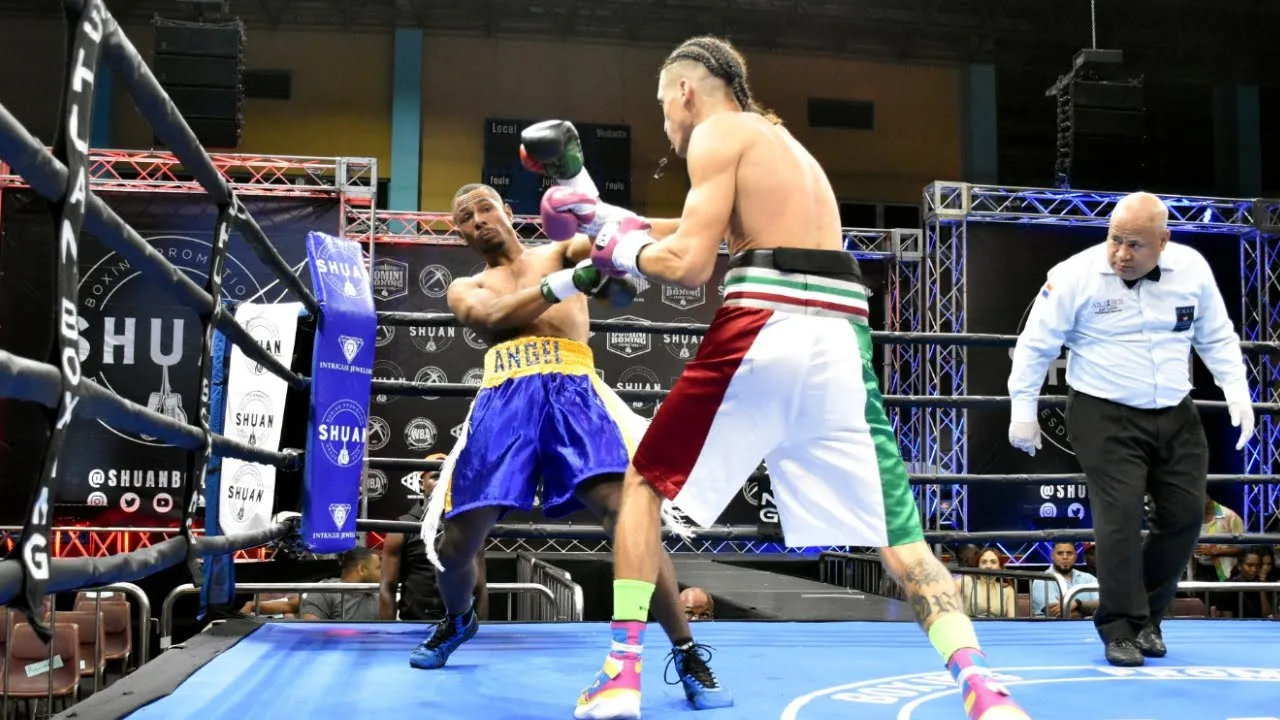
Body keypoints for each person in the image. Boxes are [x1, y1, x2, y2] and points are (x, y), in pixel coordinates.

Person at [535, 35, 1029, 720]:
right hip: (840, 339)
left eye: (663, 105)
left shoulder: (716, 133)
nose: (667, 125)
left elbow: (688, 264)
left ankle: (621, 676)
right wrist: (608, 222)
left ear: (685, 91)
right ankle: (983, 689)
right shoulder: (784, 147)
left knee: (643, 485)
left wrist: (624, 246)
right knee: (901, 541)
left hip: (766, 322)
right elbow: (705, 227)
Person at [410, 182, 731, 711]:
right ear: (459, 233)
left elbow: (628, 233)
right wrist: (571, 282)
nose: (478, 220)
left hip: (573, 393)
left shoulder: (560, 251)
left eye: (485, 208)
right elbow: (493, 317)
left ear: (507, 211)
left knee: (629, 516)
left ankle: (687, 652)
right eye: (465, 217)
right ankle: (458, 619)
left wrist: (711, 224)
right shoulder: (467, 286)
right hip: (504, 398)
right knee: (456, 543)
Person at [1006, 191, 1256, 666]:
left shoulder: (1192, 269)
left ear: (1163, 241)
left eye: (1135, 244)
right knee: (1118, 519)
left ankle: (1148, 619)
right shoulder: (1074, 275)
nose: (1120, 253)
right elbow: (1035, 343)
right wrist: (1023, 407)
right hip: (1103, 411)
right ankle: (1119, 626)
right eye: (1114, 240)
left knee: (1185, 517)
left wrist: (1236, 390)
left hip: (1176, 410)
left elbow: (1216, 335)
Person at [378, 453, 487, 621]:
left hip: (456, 625)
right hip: (414, 625)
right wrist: (388, 631)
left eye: (447, 478)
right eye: (436, 477)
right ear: (421, 484)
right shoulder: (401, 528)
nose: (442, 482)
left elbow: (479, 588)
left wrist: (479, 631)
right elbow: (387, 587)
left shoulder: (468, 529)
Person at [298, 547, 381, 621]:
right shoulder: (325, 592)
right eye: (378, 568)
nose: (382, 572)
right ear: (362, 569)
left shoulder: (378, 595)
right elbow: (310, 630)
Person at [1029, 542, 1099, 619]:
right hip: (1054, 626)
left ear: (1075, 556)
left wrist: (1078, 603)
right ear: (1052, 555)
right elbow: (1057, 614)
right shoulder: (1042, 580)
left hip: (1089, 626)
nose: (1065, 557)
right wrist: (1089, 610)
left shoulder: (1089, 578)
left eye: (1069, 553)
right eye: (1060, 553)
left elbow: (1103, 605)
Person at [956, 548, 1016, 618]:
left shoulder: (1007, 589)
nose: (988, 566)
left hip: (997, 625)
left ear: (1000, 567)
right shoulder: (966, 582)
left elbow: (1012, 620)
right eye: (984, 562)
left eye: (993, 562)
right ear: (978, 566)